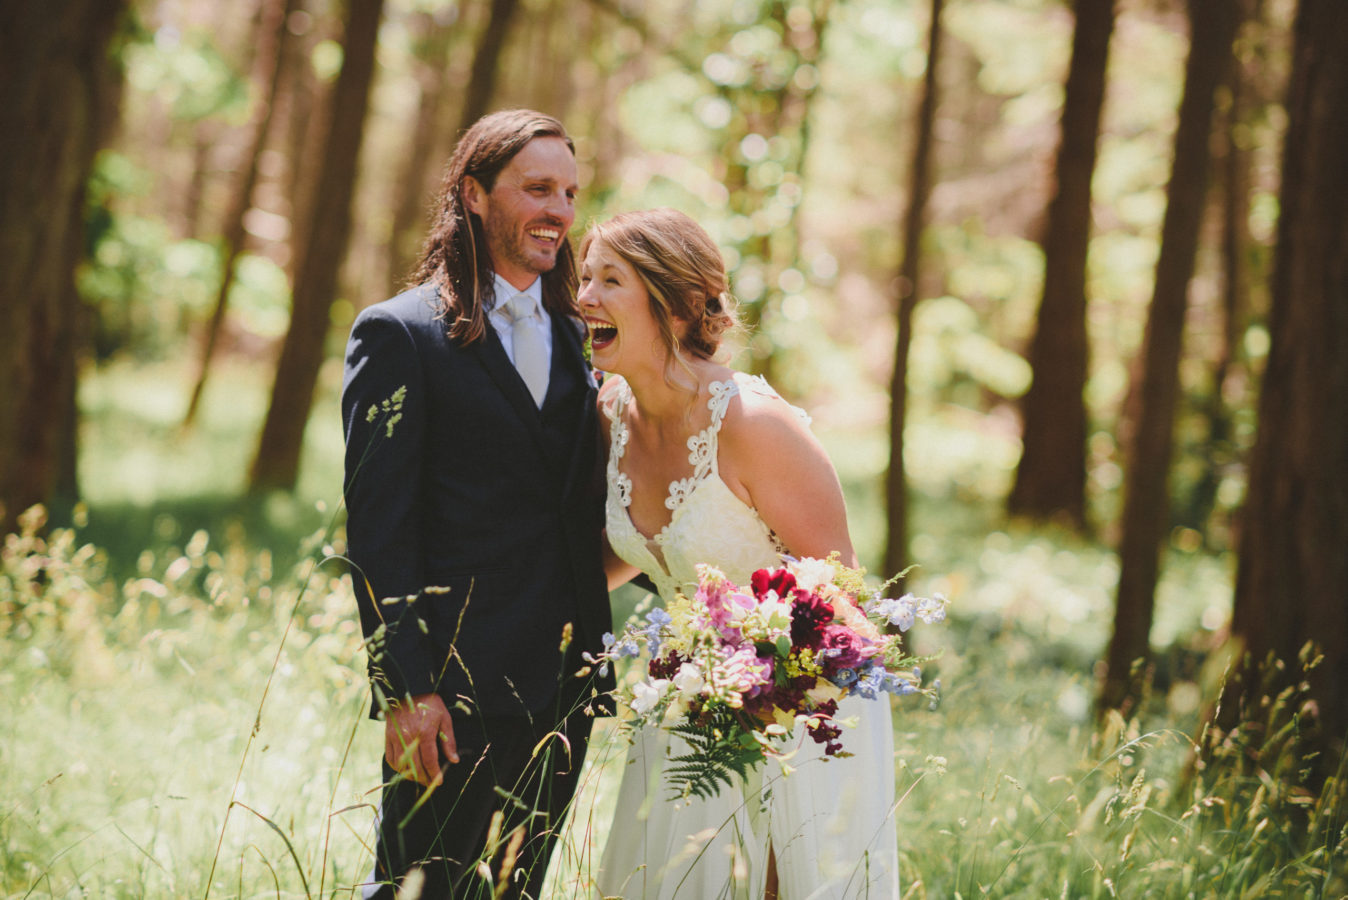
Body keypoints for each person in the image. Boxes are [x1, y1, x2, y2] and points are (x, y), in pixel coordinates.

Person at [580, 208, 900, 899]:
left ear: (674, 304)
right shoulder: (611, 413)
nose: (584, 299)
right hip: (686, 707)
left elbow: (847, 600)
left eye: (609, 280)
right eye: (584, 279)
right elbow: (639, 552)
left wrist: (764, 683)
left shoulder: (756, 427)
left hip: (802, 716)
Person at [341, 109, 614, 899]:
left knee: (513, 890)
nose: (560, 211)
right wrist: (406, 691)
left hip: (566, 679)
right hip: (452, 690)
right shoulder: (400, 335)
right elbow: (379, 529)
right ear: (474, 194)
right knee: (414, 887)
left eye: (568, 191)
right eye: (536, 188)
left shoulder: (584, 336)